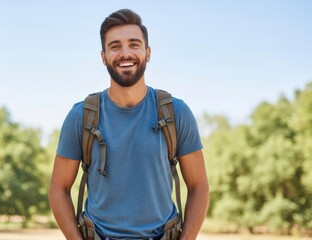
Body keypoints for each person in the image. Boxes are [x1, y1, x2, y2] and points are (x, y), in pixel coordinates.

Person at [49, 9, 209, 240]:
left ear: (148, 52)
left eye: (134, 44)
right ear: (103, 56)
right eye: (115, 46)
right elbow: (58, 189)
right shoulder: (81, 116)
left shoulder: (176, 112)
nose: (125, 53)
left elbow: (199, 186)